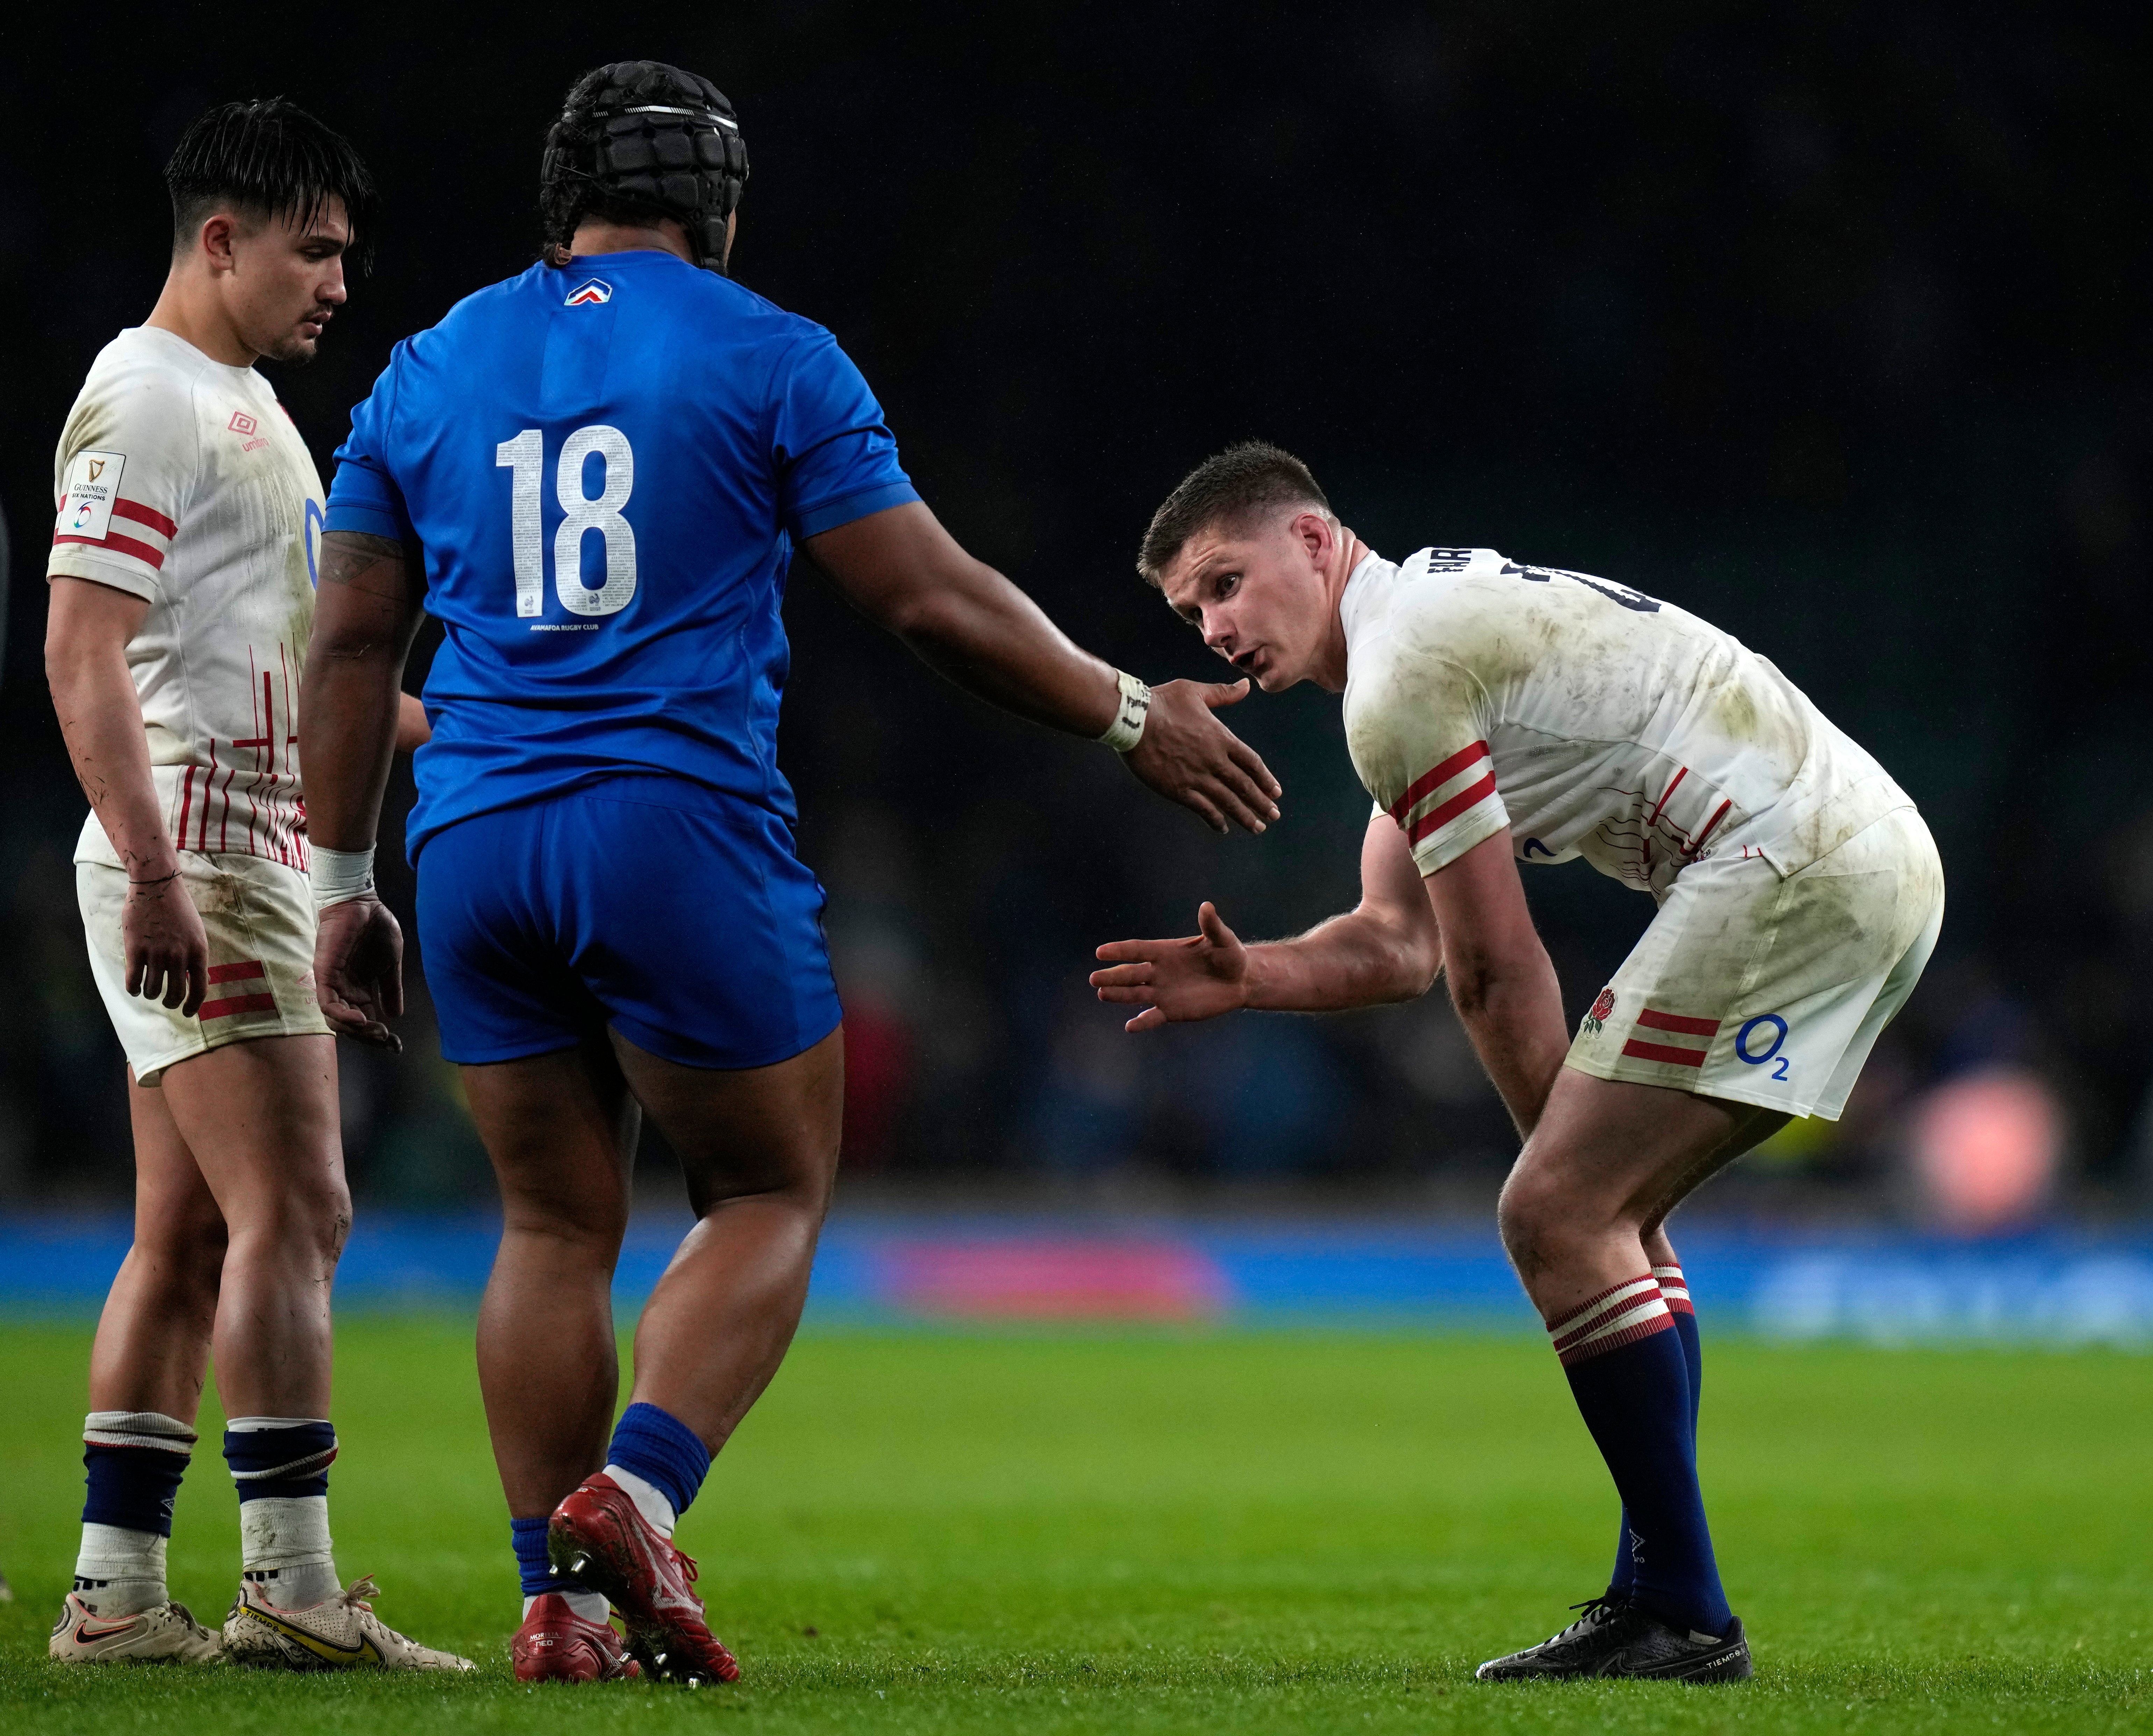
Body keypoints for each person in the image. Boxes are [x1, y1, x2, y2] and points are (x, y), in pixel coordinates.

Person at [298, 60, 1283, 1686]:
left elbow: (345, 641)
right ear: (719, 205)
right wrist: (1125, 712)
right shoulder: (771, 355)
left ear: (563, 205)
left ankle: (555, 1608)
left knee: (550, 1221)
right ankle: (630, 1497)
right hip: (669, 820)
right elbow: (923, 598)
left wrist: (342, 881)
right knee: (766, 1185)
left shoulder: (423, 366)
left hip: (468, 833)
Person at [1093, 442, 1944, 1683]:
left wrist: (1562, 1180)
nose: (1216, 627)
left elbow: (1495, 968)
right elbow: (1399, 945)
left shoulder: (1400, 676)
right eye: (1191, 611)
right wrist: (1253, 975)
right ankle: (1663, 1595)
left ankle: (1684, 1615)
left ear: (1316, 542)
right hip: (1854, 853)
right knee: (1601, 1217)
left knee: (1561, 1211)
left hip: (1795, 862)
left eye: (1227, 582)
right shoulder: (1420, 646)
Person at [42, 99, 453, 1672]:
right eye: (315, 250)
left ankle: (120, 1597)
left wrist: (450, 717)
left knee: (189, 1236)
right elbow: (82, 646)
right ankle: (292, 1585)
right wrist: (154, 869)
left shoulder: (241, 406)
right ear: (222, 240)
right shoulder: (146, 398)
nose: (339, 281)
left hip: (237, 838)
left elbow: (272, 658)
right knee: (304, 1204)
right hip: (204, 848)